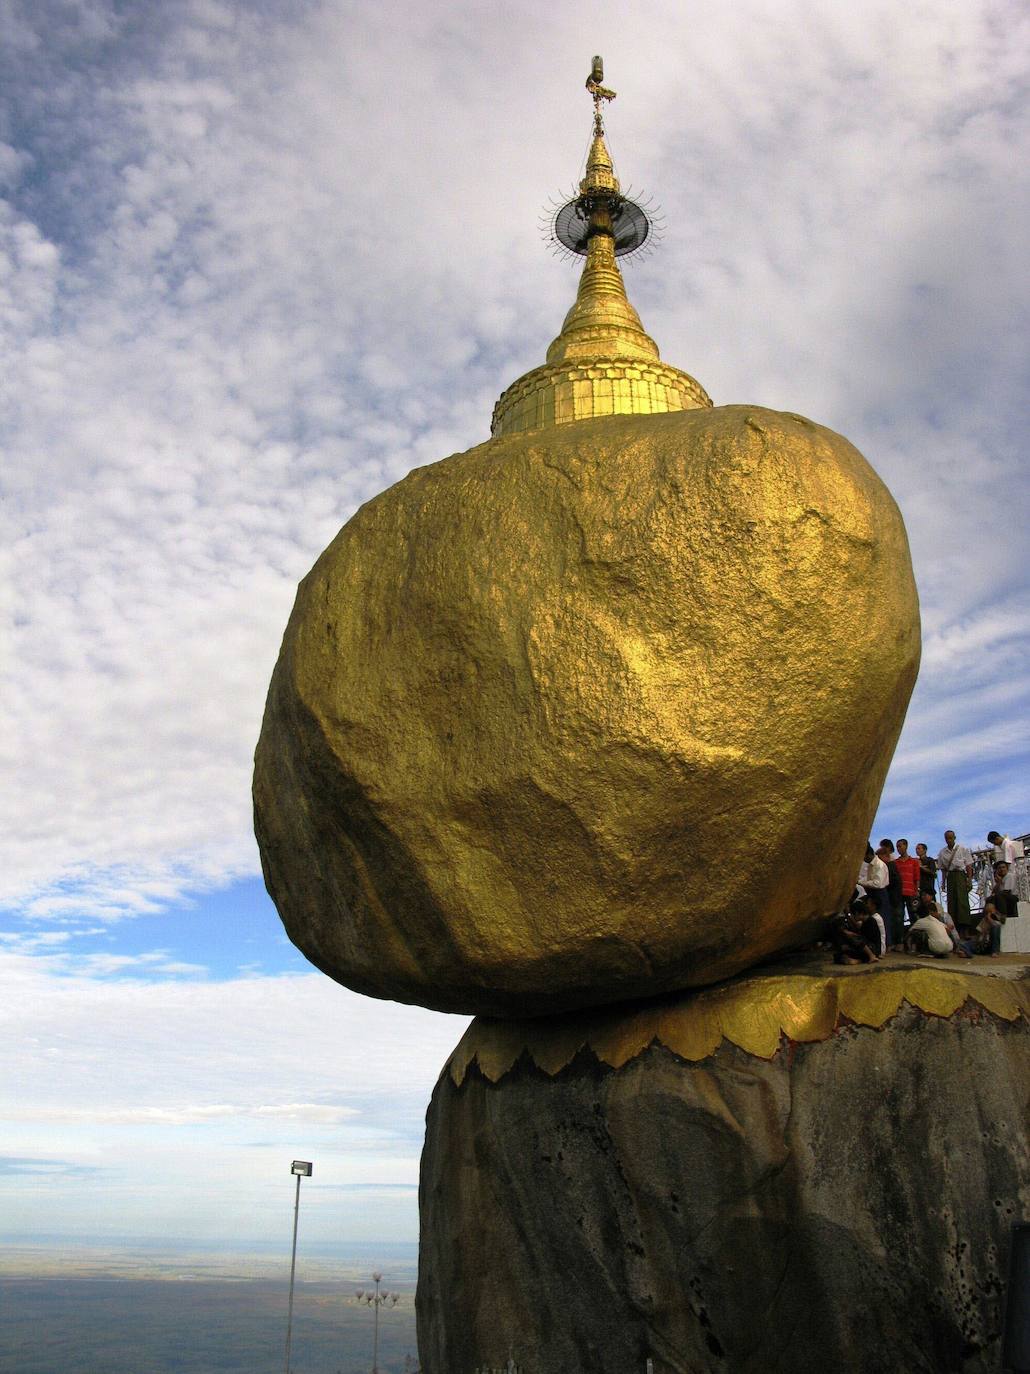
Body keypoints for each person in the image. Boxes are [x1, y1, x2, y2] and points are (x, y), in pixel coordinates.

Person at [937, 830, 973, 930]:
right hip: (950, 876)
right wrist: (943, 883)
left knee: (963, 902)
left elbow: (968, 865)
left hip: (961, 875)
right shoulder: (942, 852)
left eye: (950, 837)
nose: (949, 840)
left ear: (954, 837)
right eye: (947, 838)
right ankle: (955, 928)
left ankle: (965, 928)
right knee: (952, 902)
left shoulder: (962, 848)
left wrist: (969, 880)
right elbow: (943, 869)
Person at [863, 843, 892, 945]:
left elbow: (877, 883)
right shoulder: (871, 865)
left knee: (883, 920)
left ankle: (886, 944)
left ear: (868, 855)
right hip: (873, 893)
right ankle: (878, 943)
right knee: (876, 920)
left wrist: (860, 882)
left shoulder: (879, 865)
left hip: (879, 893)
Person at [895, 838, 921, 927]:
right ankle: (901, 937)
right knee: (899, 916)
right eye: (897, 847)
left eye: (900, 846)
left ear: (906, 846)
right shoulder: (895, 862)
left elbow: (917, 877)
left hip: (911, 892)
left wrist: (917, 890)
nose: (898, 849)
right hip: (899, 893)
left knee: (913, 914)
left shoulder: (914, 861)